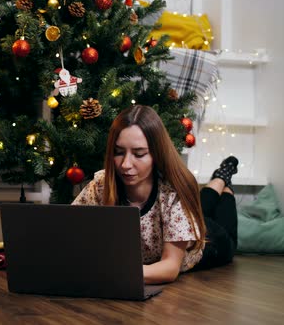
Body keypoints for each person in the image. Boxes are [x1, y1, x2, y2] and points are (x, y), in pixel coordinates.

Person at [72, 105, 238, 284]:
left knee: (225, 233)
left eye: (139, 154)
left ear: (156, 155)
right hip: (181, 221)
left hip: (209, 241)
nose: (126, 164)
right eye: (119, 152)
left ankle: (223, 180)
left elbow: (169, 268)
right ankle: (219, 178)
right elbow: (69, 229)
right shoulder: (100, 185)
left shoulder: (173, 192)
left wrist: (112, 273)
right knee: (201, 207)